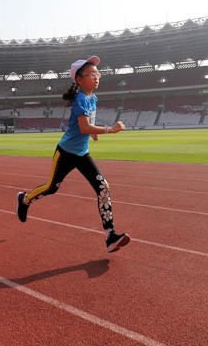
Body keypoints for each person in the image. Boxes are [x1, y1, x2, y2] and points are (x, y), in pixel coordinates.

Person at [16, 56, 130, 253]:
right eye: (92, 74)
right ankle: (24, 199)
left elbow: (87, 125)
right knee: (51, 187)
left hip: (82, 153)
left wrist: (94, 133)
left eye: (97, 73)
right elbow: (84, 126)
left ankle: (110, 236)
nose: (96, 77)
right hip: (66, 152)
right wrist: (108, 130)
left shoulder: (93, 98)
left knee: (103, 187)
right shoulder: (80, 99)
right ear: (79, 79)